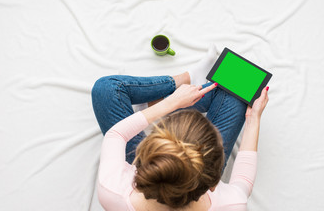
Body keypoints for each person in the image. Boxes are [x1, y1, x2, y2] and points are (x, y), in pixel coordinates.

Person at [91, 46, 269, 211]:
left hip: (162, 171)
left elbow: (117, 133)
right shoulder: (232, 204)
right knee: (240, 81)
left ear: (146, 150)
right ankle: (176, 90)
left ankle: (185, 80)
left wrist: (170, 103)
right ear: (213, 181)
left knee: (106, 89)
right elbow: (243, 181)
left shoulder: (112, 190)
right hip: (179, 172)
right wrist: (253, 119)